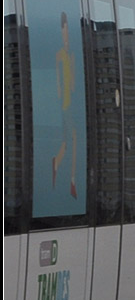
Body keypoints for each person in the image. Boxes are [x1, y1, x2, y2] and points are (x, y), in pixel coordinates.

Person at [52, 12, 78, 198]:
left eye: (67, 31)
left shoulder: (70, 55)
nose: (66, 35)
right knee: (72, 141)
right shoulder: (60, 55)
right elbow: (60, 84)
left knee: (68, 143)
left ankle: (57, 166)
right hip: (65, 106)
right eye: (64, 31)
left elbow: (74, 83)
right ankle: (71, 180)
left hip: (70, 105)